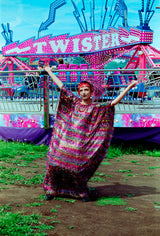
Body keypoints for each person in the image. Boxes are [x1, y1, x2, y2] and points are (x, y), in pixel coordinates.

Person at [42, 66, 137, 201]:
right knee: (55, 164)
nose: (84, 92)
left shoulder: (96, 108)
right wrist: (49, 72)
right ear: (79, 92)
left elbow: (113, 102)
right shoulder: (74, 102)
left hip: (81, 144)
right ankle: (52, 190)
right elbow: (62, 86)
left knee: (77, 169)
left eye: (86, 90)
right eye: (81, 90)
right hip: (65, 141)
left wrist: (128, 87)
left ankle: (80, 192)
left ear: (91, 92)